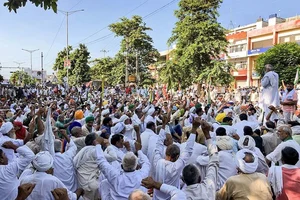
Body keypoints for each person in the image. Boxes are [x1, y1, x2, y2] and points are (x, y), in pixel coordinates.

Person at [152, 115, 197, 200]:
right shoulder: (176, 167)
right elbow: (188, 150)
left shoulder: (157, 161)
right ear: (177, 156)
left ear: (166, 153)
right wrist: (194, 129)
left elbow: (159, 144)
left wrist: (164, 125)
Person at [182, 122, 219, 200]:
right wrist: (207, 134)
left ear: (182, 179)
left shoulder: (179, 196)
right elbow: (214, 160)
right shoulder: (209, 187)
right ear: (199, 178)